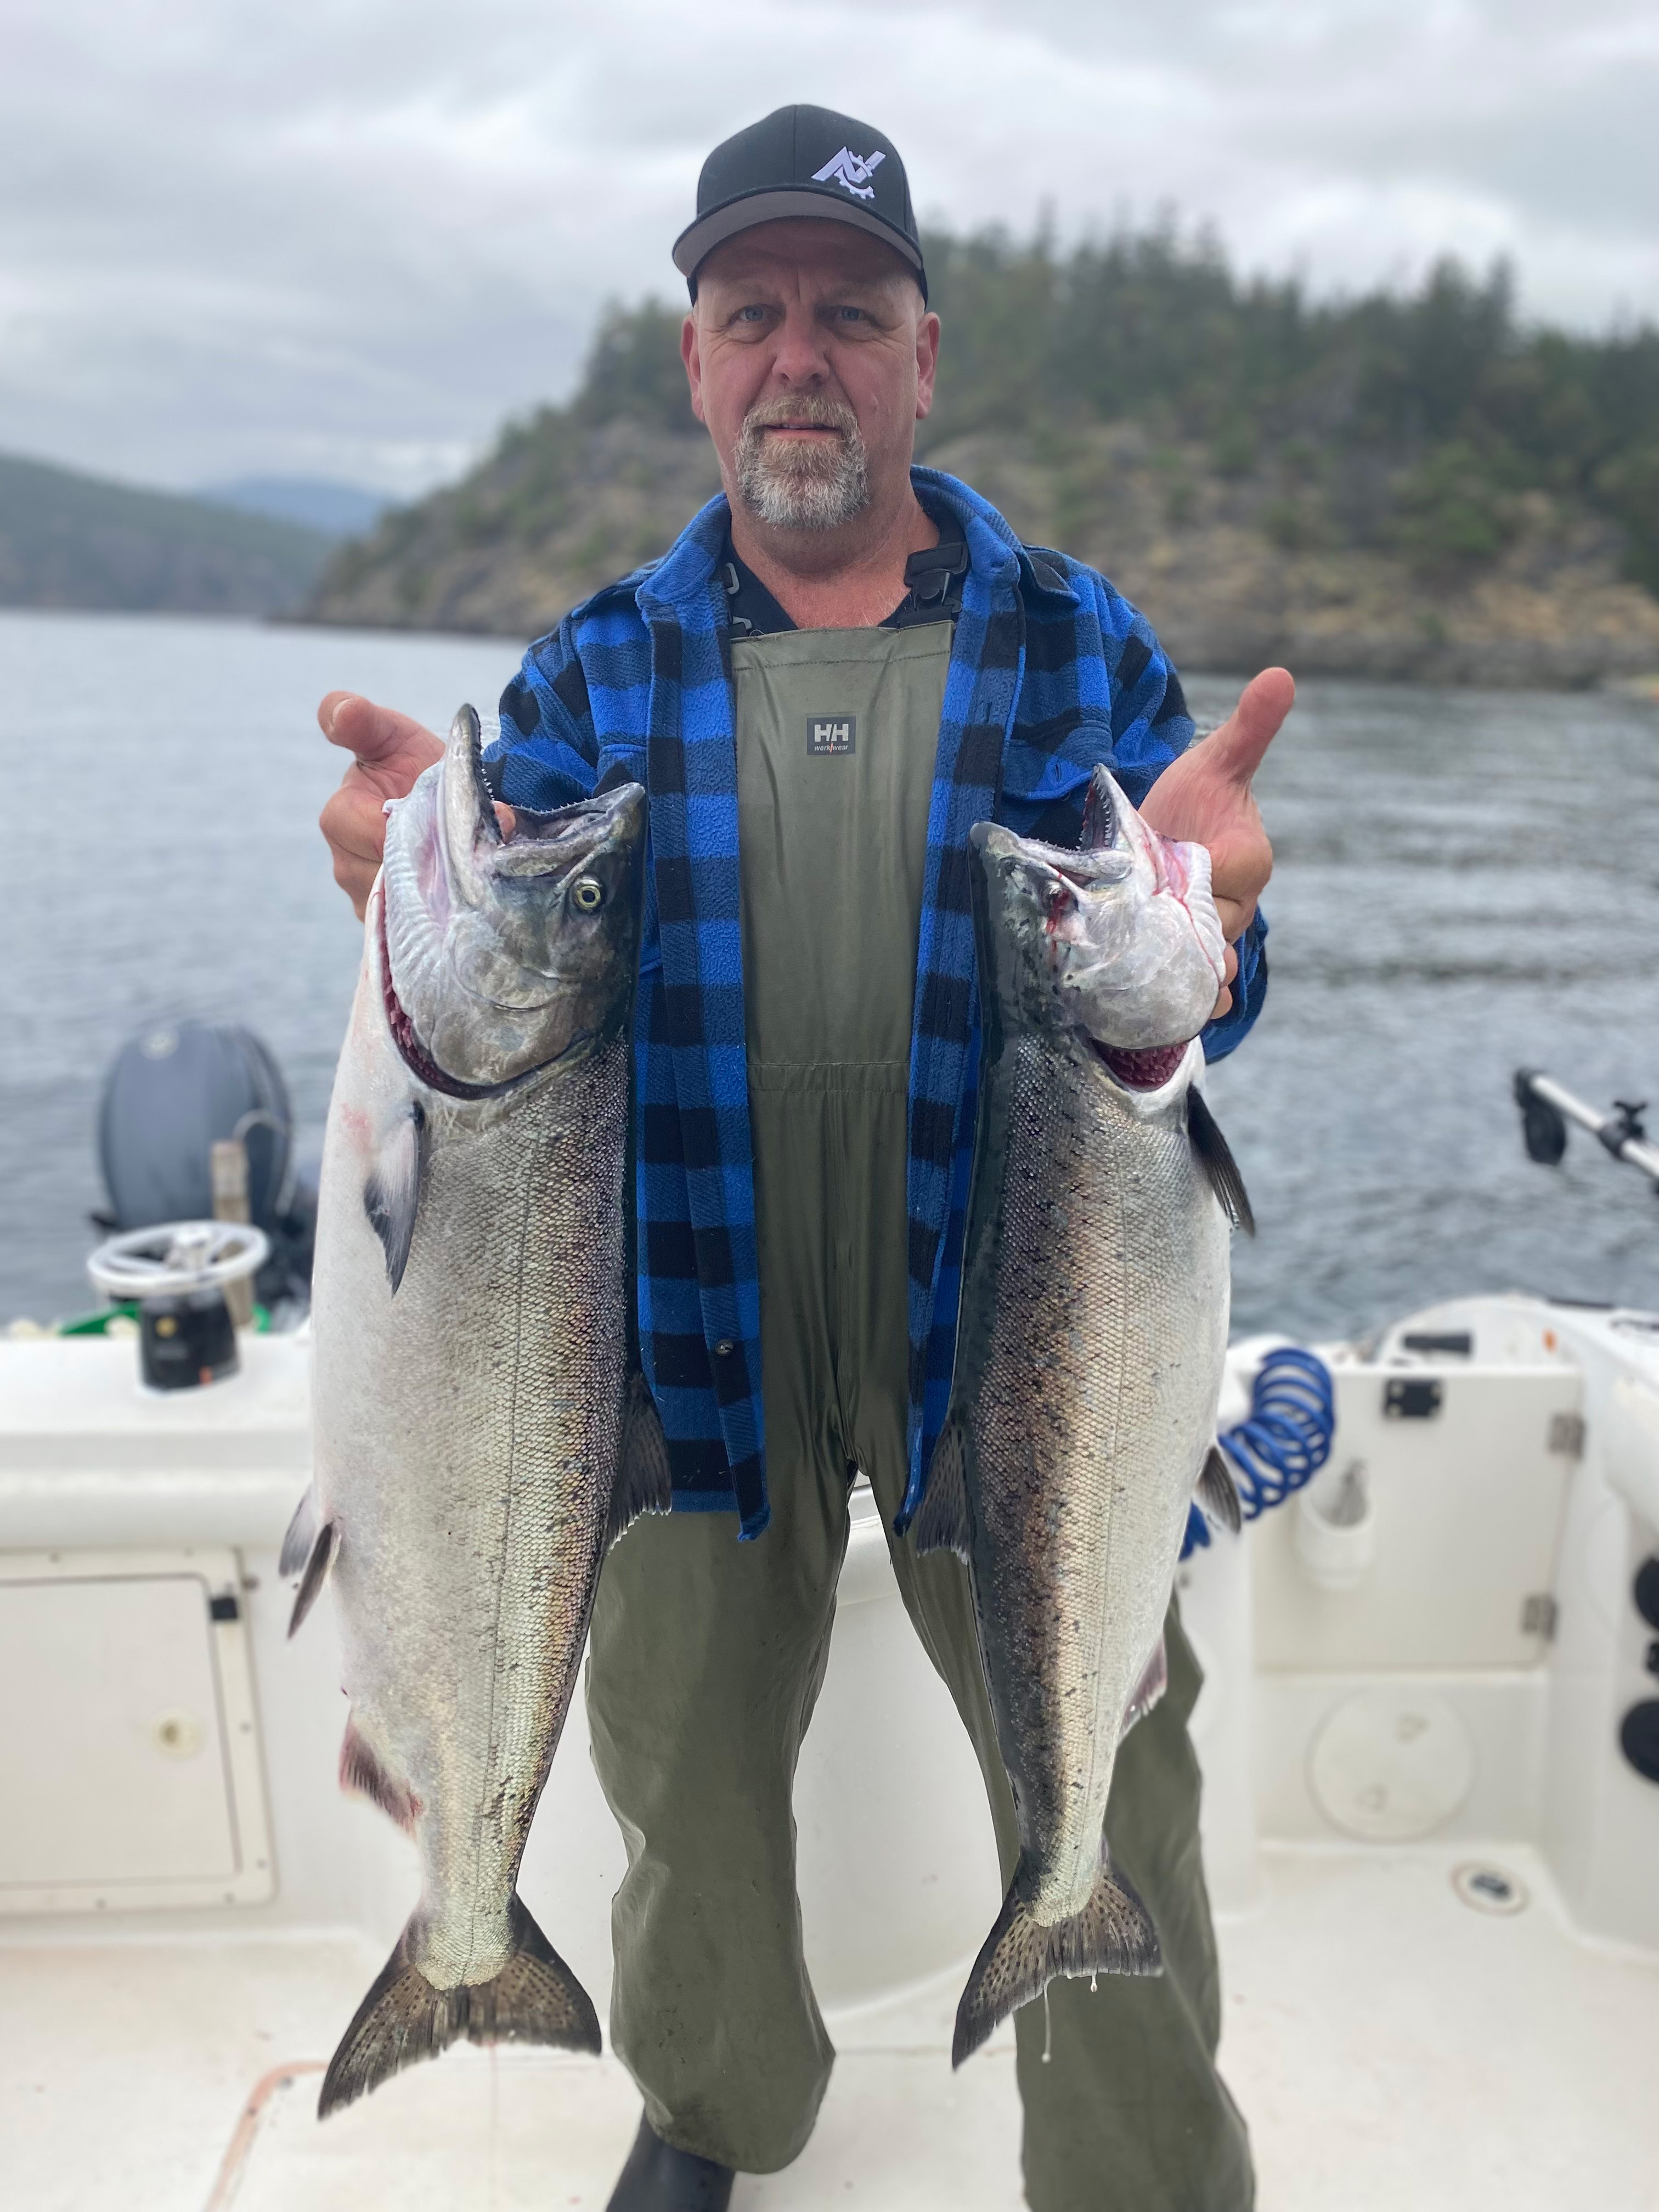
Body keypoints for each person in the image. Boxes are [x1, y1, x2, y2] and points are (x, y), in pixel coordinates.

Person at [318, 104, 1286, 2212]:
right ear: (695, 360)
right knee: (680, 1778)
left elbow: (1199, 996)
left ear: (924, 355)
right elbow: (490, 999)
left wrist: (1223, 917)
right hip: (667, 1327)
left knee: (1115, 1755)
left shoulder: (1077, 642)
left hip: (1013, 1324)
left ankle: (1139, 2178)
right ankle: (714, 2109)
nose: (800, 359)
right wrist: (393, 877)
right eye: (752, 312)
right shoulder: (586, 670)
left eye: (849, 314)